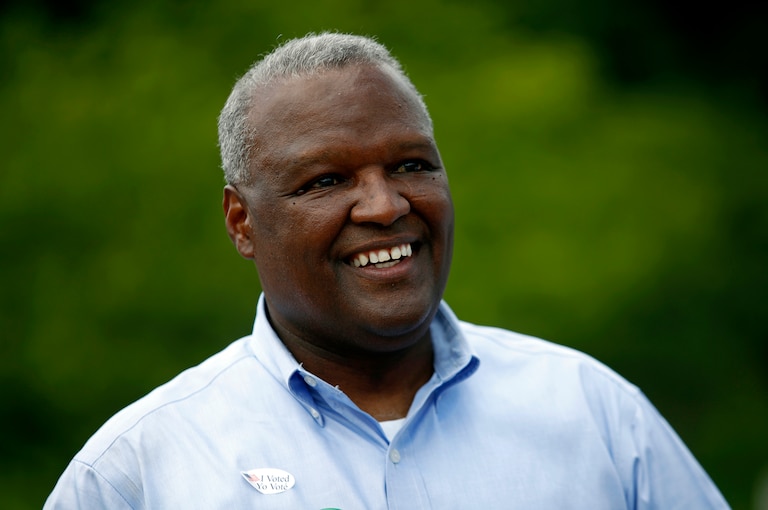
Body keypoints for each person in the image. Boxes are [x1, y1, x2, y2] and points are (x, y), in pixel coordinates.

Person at [44, 32, 729, 509]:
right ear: (241, 222)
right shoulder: (141, 470)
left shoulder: (593, 413)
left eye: (410, 165)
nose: (384, 205)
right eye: (325, 180)